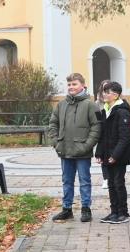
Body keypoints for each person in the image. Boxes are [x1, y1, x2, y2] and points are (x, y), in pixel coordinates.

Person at [49, 73, 102, 222]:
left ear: (82, 86)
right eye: (69, 85)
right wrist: (56, 142)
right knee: (67, 181)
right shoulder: (61, 104)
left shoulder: (91, 105)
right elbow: (53, 123)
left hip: (82, 151)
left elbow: (97, 127)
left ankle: (86, 208)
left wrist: (86, 146)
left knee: (85, 181)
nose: (71, 87)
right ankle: (67, 209)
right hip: (64, 149)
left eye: (74, 84)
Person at [94, 82, 130, 224]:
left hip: (119, 156)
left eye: (107, 92)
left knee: (118, 183)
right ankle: (114, 212)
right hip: (108, 154)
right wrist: (99, 153)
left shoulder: (121, 111)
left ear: (116, 96)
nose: (104, 94)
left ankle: (123, 212)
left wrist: (115, 155)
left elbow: (125, 137)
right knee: (111, 183)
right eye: (104, 92)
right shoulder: (106, 110)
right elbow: (103, 135)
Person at [95, 79, 110, 189]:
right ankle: (105, 179)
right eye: (104, 89)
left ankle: (113, 177)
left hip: (113, 134)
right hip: (103, 134)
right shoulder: (97, 103)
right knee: (103, 157)